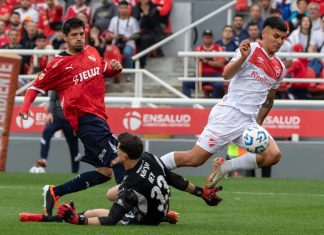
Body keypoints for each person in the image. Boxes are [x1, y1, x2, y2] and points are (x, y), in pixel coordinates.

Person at [160, 16, 287, 189]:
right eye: (276, 36)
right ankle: (153, 166)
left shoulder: (280, 68)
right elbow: (226, 74)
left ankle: (225, 167)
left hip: (248, 122)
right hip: (228, 114)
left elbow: (269, 100)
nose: (279, 41)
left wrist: (258, 126)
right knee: (194, 159)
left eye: (282, 38)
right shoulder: (249, 50)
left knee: (273, 155)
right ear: (264, 33)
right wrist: (242, 58)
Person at [18, 17, 124, 217]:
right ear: (65, 37)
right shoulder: (58, 64)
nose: (79, 38)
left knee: (104, 173)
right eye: (73, 35)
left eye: (81, 34)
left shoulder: (92, 52)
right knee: (118, 158)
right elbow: (35, 86)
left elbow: (103, 70)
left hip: (99, 117)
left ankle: (55, 192)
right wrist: (25, 107)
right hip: (84, 119)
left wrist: (114, 69)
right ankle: (128, 206)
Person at [19, 132, 223, 225]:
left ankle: (56, 219)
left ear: (125, 155)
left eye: (117, 148)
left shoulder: (131, 186)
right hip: (158, 207)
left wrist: (77, 220)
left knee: (106, 201)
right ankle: (163, 214)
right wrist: (201, 193)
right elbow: (175, 179)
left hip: (147, 218)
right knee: (113, 195)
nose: (114, 151)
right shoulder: (150, 158)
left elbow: (110, 219)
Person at [34, 91, 81, 173]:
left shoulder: (77, 84)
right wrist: (50, 113)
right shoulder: (58, 82)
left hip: (70, 119)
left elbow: (80, 104)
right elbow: (52, 100)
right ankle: (43, 159)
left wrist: (77, 122)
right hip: (56, 117)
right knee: (47, 131)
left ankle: (74, 172)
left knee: (74, 146)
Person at [182, 29, 225, 98]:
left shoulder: (218, 48)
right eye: (206, 37)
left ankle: (213, 106)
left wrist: (206, 61)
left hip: (215, 75)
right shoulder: (198, 48)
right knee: (186, 83)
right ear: (202, 38)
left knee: (219, 85)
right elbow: (197, 58)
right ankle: (188, 105)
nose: (207, 39)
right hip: (201, 75)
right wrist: (213, 58)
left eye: (209, 37)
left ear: (212, 38)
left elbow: (220, 63)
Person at [107, 0, 140, 69]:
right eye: (121, 8)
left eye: (125, 8)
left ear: (128, 9)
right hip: (116, 42)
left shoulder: (133, 20)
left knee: (127, 52)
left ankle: (128, 73)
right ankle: (112, 72)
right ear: (118, 9)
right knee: (110, 52)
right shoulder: (114, 20)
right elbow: (109, 33)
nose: (123, 10)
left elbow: (137, 35)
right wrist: (114, 36)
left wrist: (129, 38)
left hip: (129, 43)